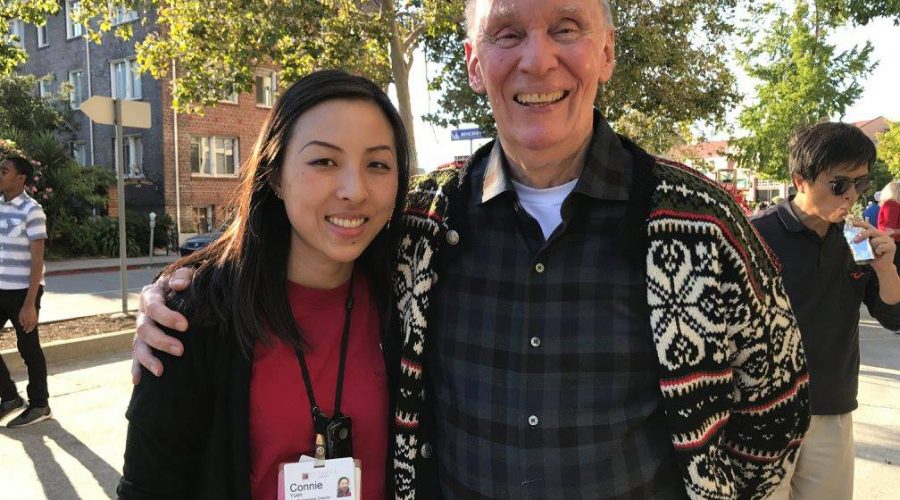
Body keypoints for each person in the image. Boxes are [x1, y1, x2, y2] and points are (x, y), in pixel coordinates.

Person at [133, 0, 810, 498]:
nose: (537, 59)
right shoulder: (421, 228)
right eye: (508, 33)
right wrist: (172, 296)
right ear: (474, 64)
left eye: (566, 28)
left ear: (606, 52)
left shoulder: (701, 221)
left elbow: (775, 412)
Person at [117, 70, 410, 499]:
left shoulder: (409, 298)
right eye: (324, 161)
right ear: (273, 176)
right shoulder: (194, 318)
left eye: (378, 164)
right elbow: (148, 488)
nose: (355, 190)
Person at [752, 122, 900, 499]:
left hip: (832, 405)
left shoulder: (857, 239)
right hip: (762, 410)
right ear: (801, 180)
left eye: (861, 184)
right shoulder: (754, 235)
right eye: (840, 185)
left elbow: (892, 316)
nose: (851, 196)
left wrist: (886, 270)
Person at [0, 155, 50, 428]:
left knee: (28, 347)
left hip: (23, 292)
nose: (0, 174)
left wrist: (30, 303)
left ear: (20, 179)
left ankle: (40, 404)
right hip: (0, 287)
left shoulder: (32, 211)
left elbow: (37, 260)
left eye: (4, 171)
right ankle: (9, 397)